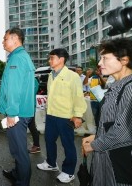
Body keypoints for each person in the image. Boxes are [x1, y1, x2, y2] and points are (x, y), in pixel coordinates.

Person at [82, 38, 132, 186]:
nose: (100, 63)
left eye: (105, 58)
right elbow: (112, 122)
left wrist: (94, 145)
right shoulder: (116, 86)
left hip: (120, 167)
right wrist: (97, 135)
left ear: (124, 60)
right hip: (107, 163)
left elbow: (124, 131)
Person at [37, 48, 87, 183]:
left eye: (52, 58)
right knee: (48, 140)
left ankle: (69, 172)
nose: (49, 60)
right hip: (51, 114)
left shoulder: (73, 76)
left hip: (66, 116)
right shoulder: (51, 75)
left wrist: (78, 116)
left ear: (61, 59)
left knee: (68, 144)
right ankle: (51, 163)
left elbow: (78, 97)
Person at [0, 27, 36, 186]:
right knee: (17, 149)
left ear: (15, 39)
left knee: (20, 152)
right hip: (21, 112)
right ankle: (17, 174)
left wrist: (11, 112)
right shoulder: (21, 57)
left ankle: (22, 182)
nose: (3, 42)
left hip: (17, 113)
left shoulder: (17, 59)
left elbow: (14, 88)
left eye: (5, 39)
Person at [28, 77, 41, 154]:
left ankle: (37, 145)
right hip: (24, 107)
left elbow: (31, 92)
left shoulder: (33, 80)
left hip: (29, 107)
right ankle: (36, 146)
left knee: (32, 127)